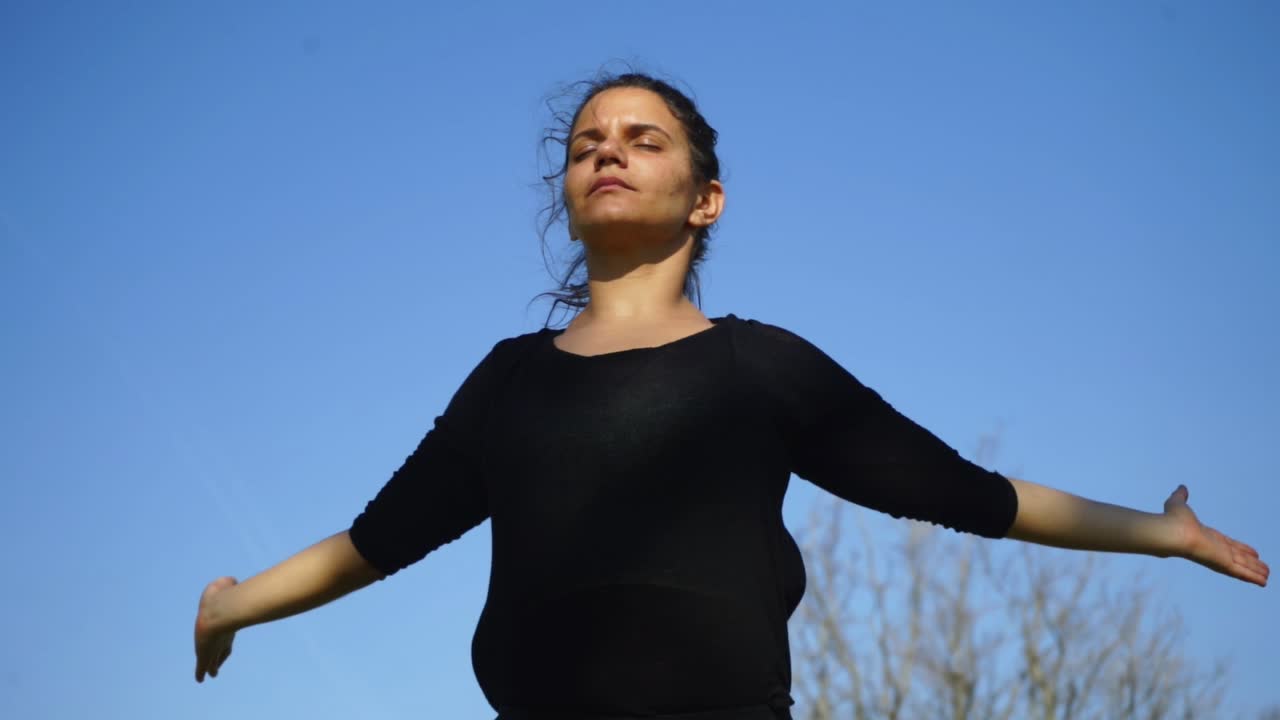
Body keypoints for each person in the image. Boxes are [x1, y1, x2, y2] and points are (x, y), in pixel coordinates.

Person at [192, 71, 1269, 720]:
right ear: (566, 199)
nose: (605, 150)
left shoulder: (762, 368)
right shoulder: (507, 382)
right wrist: (234, 604)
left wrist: (1162, 536)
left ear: (705, 198)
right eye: (584, 146)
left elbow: (969, 493)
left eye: (639, 139)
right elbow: (377, 541)